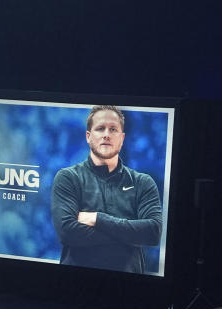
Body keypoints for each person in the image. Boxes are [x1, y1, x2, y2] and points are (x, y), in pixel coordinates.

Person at [51, 105, 163, 273]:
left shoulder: (143, 182)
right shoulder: (68, 177)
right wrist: (129, 234)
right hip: (75, 286)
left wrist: (98, 219)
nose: (106, 135)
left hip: (128, 287)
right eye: (100, 128)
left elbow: (153, 232)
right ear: (88, 136)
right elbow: (67, 232)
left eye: (113, 129)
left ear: (122, 138)